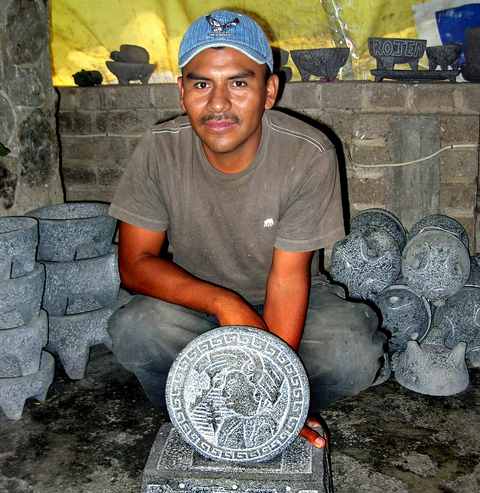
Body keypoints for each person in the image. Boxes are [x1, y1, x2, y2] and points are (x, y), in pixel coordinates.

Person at [108, 9, 386, 448]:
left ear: (269, 90)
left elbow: (289, 281)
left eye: (239, 83)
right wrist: (224, 303)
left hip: (291, 305)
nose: (218, 103)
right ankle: (210, 409)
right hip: (196, 303)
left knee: (353, 353)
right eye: (202, 84)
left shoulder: (307, 154)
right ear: (182, 92)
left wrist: (273, 397)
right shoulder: (159, 150)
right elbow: (135, 265)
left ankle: (244, 405)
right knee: (135, 330)